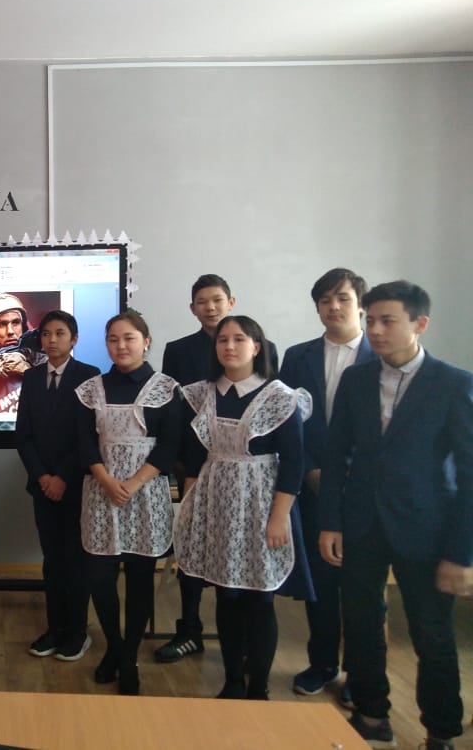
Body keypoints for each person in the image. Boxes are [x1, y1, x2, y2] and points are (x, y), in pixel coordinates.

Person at [319, 281, 473, 750]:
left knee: (432, 634)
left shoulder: (453, 383)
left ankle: (441, 731)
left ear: (419, 324)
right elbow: (336, 453)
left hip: (426, 529)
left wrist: (462, 553)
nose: (376, 330)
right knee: (362, 624)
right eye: (371, 320)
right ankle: (371, 713)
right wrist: (331, 521)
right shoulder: (357, 379)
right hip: (362, 523)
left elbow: (470, 474)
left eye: (388, 321)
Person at [174, 315, 313, 700]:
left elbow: (294, 463)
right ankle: (233, 680)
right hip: (216, 503)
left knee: (259, 596)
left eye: (239, 339)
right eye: (223, 340)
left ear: (257, 347)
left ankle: (259, 687)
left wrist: (279, 518)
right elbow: (193, 457)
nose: (230, 346)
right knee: (225, 594)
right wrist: (189, 510)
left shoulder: (280, 397)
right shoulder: (202, 394)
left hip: (262, 506)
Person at [156, 274, 280, 663]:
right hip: (196, 464)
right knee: (192, 548)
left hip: (248, 474)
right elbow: (176, 411)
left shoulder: (264, 346)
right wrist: (182, 466)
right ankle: (189, 630)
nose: (210, 307)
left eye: (217, 300)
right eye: (202, 301)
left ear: (231, 301)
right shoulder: (178, 350)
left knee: (242, 553)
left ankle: (244, 642)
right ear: (192, 308)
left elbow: (271, 410)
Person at [278, 268, 374, 705]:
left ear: (360, 304)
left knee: (362, 589)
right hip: (313, 486)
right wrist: (311, 470)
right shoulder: (297, 357)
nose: (333, 307)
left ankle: (360, 673)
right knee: (320, 584)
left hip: (366, 492)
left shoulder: (380, 356)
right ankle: (322, 663)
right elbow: (285, 422)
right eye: (324, 300)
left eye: (342, 298)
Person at [75, 310, 182, 695]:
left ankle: (130, 654)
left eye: (129, 338)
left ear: (146, 341)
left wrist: (134, 482)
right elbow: (83, 441)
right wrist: (106, 480)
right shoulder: (91, 389)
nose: (121, 346)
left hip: (145, 492)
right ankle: (115, 648)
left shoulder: (166, 388)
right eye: (113, 339)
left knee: (139, 579)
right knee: (100, 578)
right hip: (101, 491)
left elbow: (171, 445)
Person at [14, 310, 100, 664]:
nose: (51, 340)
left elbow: (89, 436)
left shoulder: (89, 376)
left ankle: (77, 632)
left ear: (74, 339)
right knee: (52, 560)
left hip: (77, 484)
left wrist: (63, 477)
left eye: (60, 333)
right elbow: (24, 435)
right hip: (42, 486)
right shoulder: (32, 377)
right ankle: (55, 628)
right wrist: (42, 477)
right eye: (46, 334)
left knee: (76, 559)